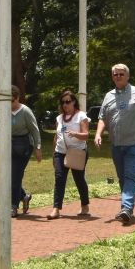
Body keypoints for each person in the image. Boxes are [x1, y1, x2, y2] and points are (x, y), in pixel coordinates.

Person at [94, 63, 135, 225]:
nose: (118, 76)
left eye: (121, 74)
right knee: (122, 177)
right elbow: (102, 117)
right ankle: (127, 209)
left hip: (134, 143)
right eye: (115, 74)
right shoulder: (108, 96)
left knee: (129, 175)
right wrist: (98, 133)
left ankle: (127, 207)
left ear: (128, 76)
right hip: (116, 144)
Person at [0, 86, 42, 216]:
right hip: (8, 145)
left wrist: (38, 148)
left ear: (17, 98)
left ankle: (13, 206)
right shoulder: (4, 111)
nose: (10, 104)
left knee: (16, 175)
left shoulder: (25, 111)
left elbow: (34, 130)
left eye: (12, 101)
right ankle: (24, 196)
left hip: (24, 146)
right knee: (8, 176)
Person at [50, 89, 90, 219]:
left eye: (68, 102)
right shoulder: (59, 118)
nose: (65, 105)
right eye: (63, 102)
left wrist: (75, 134)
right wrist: (53, 154)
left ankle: (85, 205)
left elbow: (86, 135)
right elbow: (57, 136)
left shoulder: (81, 116)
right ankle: (56, 209)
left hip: (77, 152)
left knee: (79, 179)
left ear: (74, 102)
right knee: (59, 178)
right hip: (60, 152)